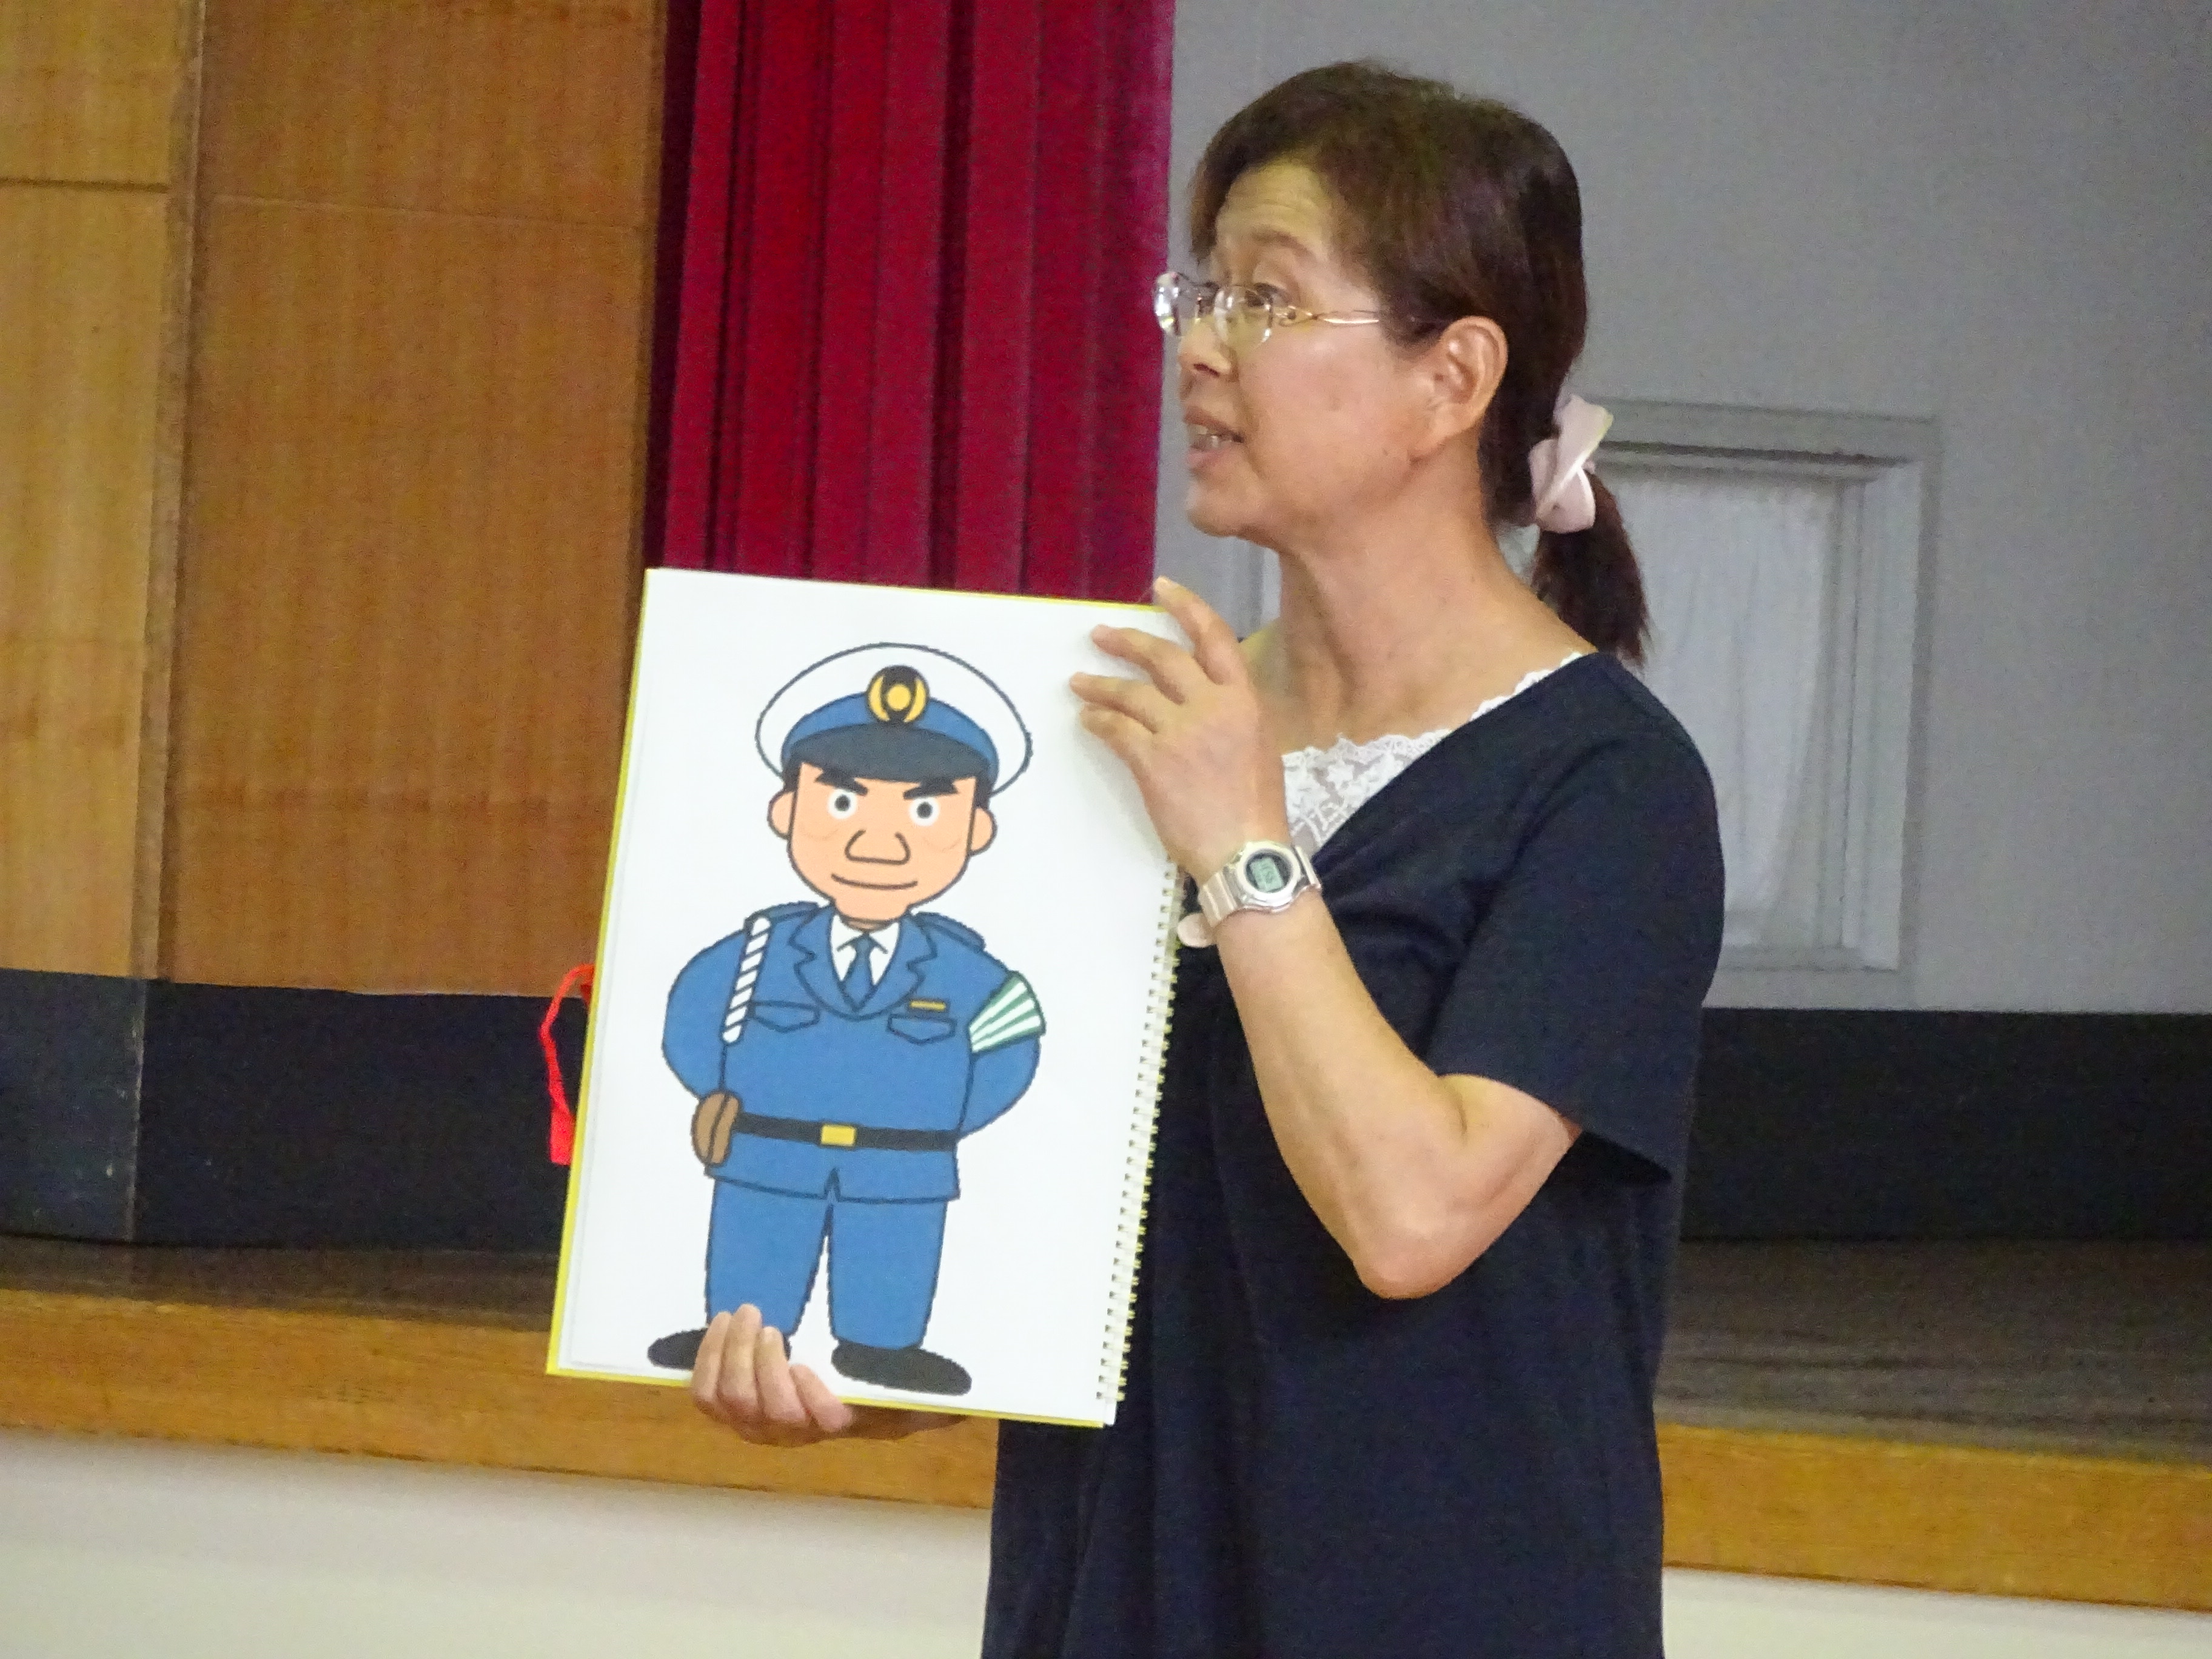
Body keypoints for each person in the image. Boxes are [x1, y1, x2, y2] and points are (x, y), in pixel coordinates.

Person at [685, 60, 1724, 1657]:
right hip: (1120, 1586)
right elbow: (1062, 1242)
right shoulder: (1137, 734)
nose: (1201, 349)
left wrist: (1245, 849)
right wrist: (852, 1372)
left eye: (1269, 299)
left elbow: (1412, 1217)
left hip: (1441, 1606)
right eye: (1203, 293)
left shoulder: (1605, 783)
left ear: (1452, 379)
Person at [654, 646, 1045, 1398]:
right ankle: (735, 1331)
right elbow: (689, 1020)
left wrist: (933, 1123)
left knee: (892, 1251)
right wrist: (726, 1095)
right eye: (842, 803)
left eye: (925, 810)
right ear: (785, 812)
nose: (878, 840)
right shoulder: (756, 949)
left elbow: (1011, 1047)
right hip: (769, 1152)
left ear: (978, 829)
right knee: (754, 1254)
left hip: (902, 1166)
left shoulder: (969, 972)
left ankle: (884, 1345)